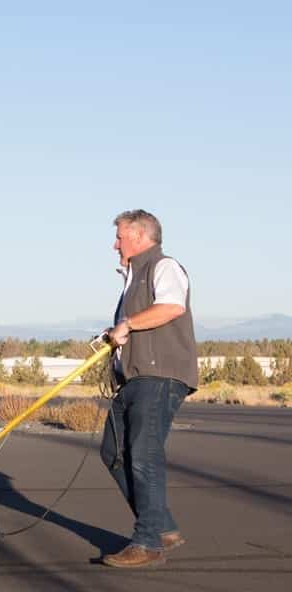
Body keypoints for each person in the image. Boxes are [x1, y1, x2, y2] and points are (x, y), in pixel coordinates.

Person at [100, 209, 198, 569]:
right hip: (132, 379)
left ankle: (147, 542)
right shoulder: (130, 279)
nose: (115, 245)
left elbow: (171, 307)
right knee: (113, 452)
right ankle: (164, 527)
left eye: (120, 237)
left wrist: (126, 325)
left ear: (140, 237)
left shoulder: (163, 266)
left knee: (143, 452)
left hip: (160, 376)